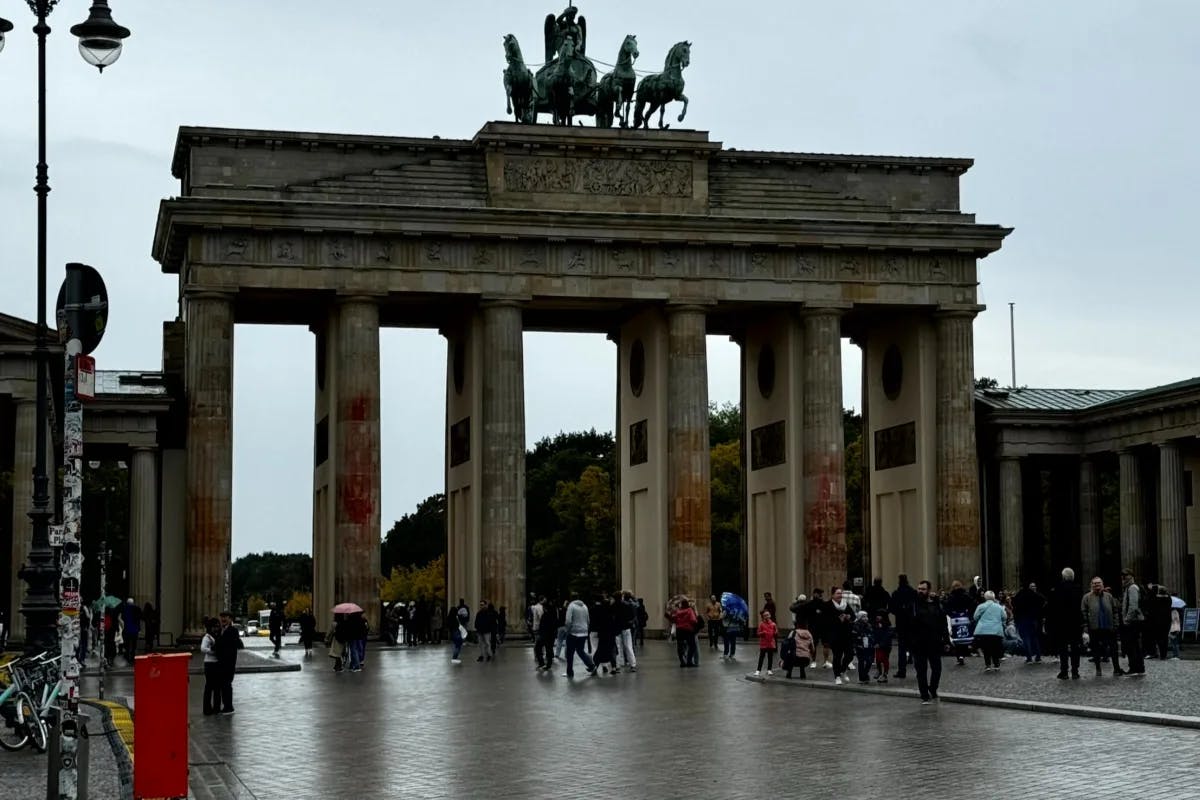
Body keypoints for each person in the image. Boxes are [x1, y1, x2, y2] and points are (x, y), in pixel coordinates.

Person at [910, 581, 946, 704]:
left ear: (929, 590)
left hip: (934, 642)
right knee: (921, 671)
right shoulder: (914, 604)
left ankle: (933, 688)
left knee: (937, 669)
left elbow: (943, 623)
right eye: (919, 588)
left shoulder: (936, 605)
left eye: (923, 589)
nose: (920, 591)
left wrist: (945, 640)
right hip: (918, 643)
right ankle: (924, 695)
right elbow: (909, 624)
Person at [1048, 568, 1084, 679]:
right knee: (1075, 648)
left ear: (1063, 577)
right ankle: (1075, 671)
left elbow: (1052, 608)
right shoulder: (1078, 589)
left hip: (1061, 624)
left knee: (1063, 648)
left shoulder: (1057, 589)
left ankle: (1064, 671)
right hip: (1075, 623)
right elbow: (1081, 608)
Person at [1081, 576, 1120, 677]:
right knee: (1096, 650)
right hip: (1094, 628)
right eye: (1094, 584)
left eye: (1098, 583)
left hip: (1109, 627)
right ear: (1091, 585)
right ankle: (1098, 669)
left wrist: (1116, 624)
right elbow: (1083, 612)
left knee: (1113, 649)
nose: (1097, 585)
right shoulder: (1087, 597)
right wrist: (1085, 626)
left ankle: (1116, 668)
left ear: (1102, 585)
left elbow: (1115, 610)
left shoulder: (1109, 596)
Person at [215, 611, 244, 713]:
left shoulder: (233, 631)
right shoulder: (220, 630)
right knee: (223, 684)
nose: (223, 619)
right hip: (220, 662)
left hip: (229, 662)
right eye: (222, 617)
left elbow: (230, 645)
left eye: (225, 617)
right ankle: (225, 705)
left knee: (227, 684)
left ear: (230, 619)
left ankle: (229, 706)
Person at [563, 593, 597, 678]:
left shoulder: (571, 606)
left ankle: (570, 672)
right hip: (584, 632)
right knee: (580, 651)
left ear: (571, 599)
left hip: (573, 632)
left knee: (570, 653)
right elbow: (588, 620)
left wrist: (567, 630)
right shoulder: (585, 606)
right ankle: (592, 666)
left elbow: (568, 621)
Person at [1119, 569, 1146, 676]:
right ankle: (1138, 668)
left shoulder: (1132, 588)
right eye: (1122, 576)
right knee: (1134, 645)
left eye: (1125, 576)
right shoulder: (1128, 588)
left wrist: (1127, 619)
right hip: (1133, 621)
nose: (1123, 578)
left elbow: (1133, 606)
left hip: (1133, 622)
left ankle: (1135, 668)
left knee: (1132, 646)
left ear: (1130, 576)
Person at [889, 575, 917, 678]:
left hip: (901, 622)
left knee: (902, 647)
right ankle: (918, 669)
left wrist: (899, 611)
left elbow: (891, 608)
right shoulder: (913, 592)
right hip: (912, 622)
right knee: (914, 645)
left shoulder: (896, 593)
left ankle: (902, 670)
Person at [972, 591, 1006, 672]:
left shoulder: (981, 606)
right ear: (994, 597)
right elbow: (1004, 617)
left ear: (985, 597)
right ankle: (996, 664)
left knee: (986, 648)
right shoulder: (999, 607)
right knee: (995, 647)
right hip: (996, 630)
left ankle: (988, 665)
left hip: (984, 630)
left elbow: (975, 617)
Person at [1012, 582, 1045, 663]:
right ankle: (1038, 657)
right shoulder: (1035, 595)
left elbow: (1014, 605)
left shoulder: (1020, 594)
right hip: (1033, 619)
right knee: (1034, 638)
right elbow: (1043, 601)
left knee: (1026, 638)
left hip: (1023, 619)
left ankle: (1029, 657)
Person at [943, 581, 974, 666]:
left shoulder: (951, 597)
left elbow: (946, 607)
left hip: (955, 618)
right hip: (965, 617)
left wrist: (951, 614)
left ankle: (959, 655)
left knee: (957, 637)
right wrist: (969, 614)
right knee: (964, 636)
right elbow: (972, 604)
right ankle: (963, 654)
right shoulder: (966, 596)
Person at [828, 588, 854, 685]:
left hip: (847, 634)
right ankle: (837, 676)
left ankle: (842, 670)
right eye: (838, 593)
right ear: (833, 595)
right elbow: (826, 620)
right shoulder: (828, 605)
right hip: (835, 636)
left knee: (850, 655)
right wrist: (838, 620)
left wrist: (849, 617)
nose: (840, 595)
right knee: (837, 657)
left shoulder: (846, 604)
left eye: (841, 593)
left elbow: (853, 616)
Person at [200, 618, 222, 715]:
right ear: (210, 627)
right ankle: (207, 709)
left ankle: (217, 708)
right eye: (214, 627)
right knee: (209, 686)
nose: (216, 628)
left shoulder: (217, 636)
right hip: (209, 663)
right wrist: (212, 651)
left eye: (217, 626)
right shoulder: (207, 637)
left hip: (216, 663)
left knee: (217, 687)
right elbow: (203, 649)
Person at [807, 588, 832, 668]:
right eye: (818, 593)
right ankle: (813, 661)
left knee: (826, 644)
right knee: (813, 644)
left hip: (824, 626)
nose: (820, 595)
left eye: (821, 593)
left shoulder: (824, 604)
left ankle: (826, 661)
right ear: (814, 594)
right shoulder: (810, 604)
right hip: (813, 627)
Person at [672, 599, 700, 668]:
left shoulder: (678, 611)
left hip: (679, 631)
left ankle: (682, 662)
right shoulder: (689, 610)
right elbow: (693, 620)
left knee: (680, 647)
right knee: (692, 646)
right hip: (688, 630)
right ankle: (689, 661)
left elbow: (674, 619)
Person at [535, 596, 558, 671]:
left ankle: (542, 663)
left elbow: (543, 625)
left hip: (544, 635)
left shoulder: (546, 615)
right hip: (551, 634)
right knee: (549, 649)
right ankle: (548, 664)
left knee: (538, 648)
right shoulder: (553, 614)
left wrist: (540, 633)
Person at [617, 591, 638, 672]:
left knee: (618, 646)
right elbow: (633, 616)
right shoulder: (629, 605)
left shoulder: (615, 605)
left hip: (618, 628)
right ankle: (633, 664)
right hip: (626, 628)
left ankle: (619, 664)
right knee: (629, 646)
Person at [853, 611, 875, 684]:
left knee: (869, 661)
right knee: (861, 662)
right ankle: (862, 677)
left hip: (868, 646)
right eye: (863, 617)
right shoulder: (856, 625)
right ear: (860, 617)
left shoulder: (869, 625)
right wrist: (857, 644)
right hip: (860, 646)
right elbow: (854, 636)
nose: (865, 618)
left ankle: (864, 674)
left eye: (866, 616)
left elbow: (872, 634)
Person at [754, 610, 778, 676]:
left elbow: (776, 631)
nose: (767, 616)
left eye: (768, 615)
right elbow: (758, 633)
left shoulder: (773, 624)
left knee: (770, 657)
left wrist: (775, 633)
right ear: (763, 617)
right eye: (765, 615)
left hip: (771, 643)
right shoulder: (761, 624)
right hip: (763, 644)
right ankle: (758, 670)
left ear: (770, 615)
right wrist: (762, 633)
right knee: (761, 657)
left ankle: (769, 669)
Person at [872, 611, 893, 683]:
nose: (877, 617)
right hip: (878, 645)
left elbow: (887, 636)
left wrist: (881, 644)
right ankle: (879, 671)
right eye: (877, 615)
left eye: (879, 615)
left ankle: (885, 674)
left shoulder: (887, 625)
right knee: (878, 659)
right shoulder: (876, 624)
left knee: (884, 659)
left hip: (885, 646)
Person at [122, 598, 142, 663]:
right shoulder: (137, 608)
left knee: (127, 645)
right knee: (134, 645)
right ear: (133, 602)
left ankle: (127, 658)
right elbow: (140, 617)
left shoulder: (125, 609)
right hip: (135, 629)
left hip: (127, 629)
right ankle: (133, 658)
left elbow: (123, 618)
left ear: (127, 603)